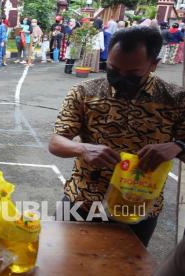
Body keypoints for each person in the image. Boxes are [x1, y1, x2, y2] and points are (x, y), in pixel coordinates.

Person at [48, 26, 185, 247]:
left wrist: (178, 146)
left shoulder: (176, 100)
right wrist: (83, 149)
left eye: (132, 74)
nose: (120, 79)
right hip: (82, 203)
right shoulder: (84, 92)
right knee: (58, 264)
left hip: (138, 210)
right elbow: (56, 142)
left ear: (153, 64)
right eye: (113, 69)